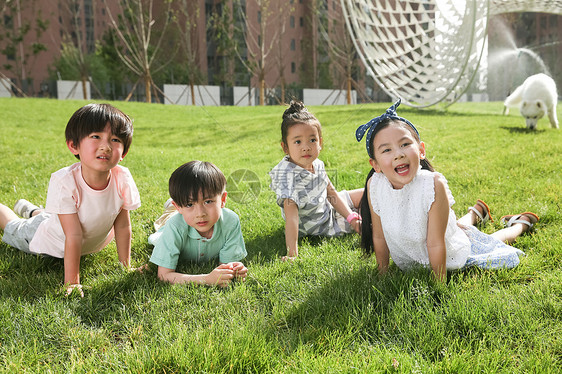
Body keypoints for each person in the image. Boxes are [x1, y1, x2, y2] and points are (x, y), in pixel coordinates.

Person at [356, 99, 538, 281]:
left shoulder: (431, 185)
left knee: (492, 241)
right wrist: (383, 274)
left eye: (405, 144)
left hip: (448, 252)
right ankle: (476, 212)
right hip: (415, 254)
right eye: (386, 150)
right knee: (459, 227)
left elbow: (436, 243)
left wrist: (438, 284)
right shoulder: (375, 185)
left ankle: (521, 223)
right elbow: (379, 236)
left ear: (421, 150)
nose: (399, 154)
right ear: (376, 164)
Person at [0, 103, 141, 296]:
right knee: (14, 225)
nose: (106, 146)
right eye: (96, 136)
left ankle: (33, 210)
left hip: (62, 221)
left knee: (54, 215)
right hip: (49, 237)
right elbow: (73, 234)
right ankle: (26, 213)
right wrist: (72, 283)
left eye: (115, 139)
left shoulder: (121, 178)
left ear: (123, 152)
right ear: (74, 145)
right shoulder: (65, 181)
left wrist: (126, 267)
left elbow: (123, 225)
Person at [269, 100, 363, 261]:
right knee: (369, 221)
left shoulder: (317, 164)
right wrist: (292, 254)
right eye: (298, 142)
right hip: (320, 223)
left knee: (367, 193)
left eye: (312, 140)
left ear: (320, 143)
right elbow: (291, 218)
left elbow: (331, 193)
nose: (306, 147)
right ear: (285, 147)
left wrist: (351, 217)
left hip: (326, 206)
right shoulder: (287, 177)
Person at [148, 161, 248, 287]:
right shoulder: (174, 227)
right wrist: (206, 279)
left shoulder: (230, 221)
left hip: (183, 215)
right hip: (172, 221)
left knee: (184, 214)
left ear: (222, 200)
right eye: (189, 204)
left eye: (208, 201)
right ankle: (171, 206)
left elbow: (227, 265)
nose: (200, 213)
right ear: (179, 206)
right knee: (166, 220)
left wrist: (234, 268)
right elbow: (163, 275)